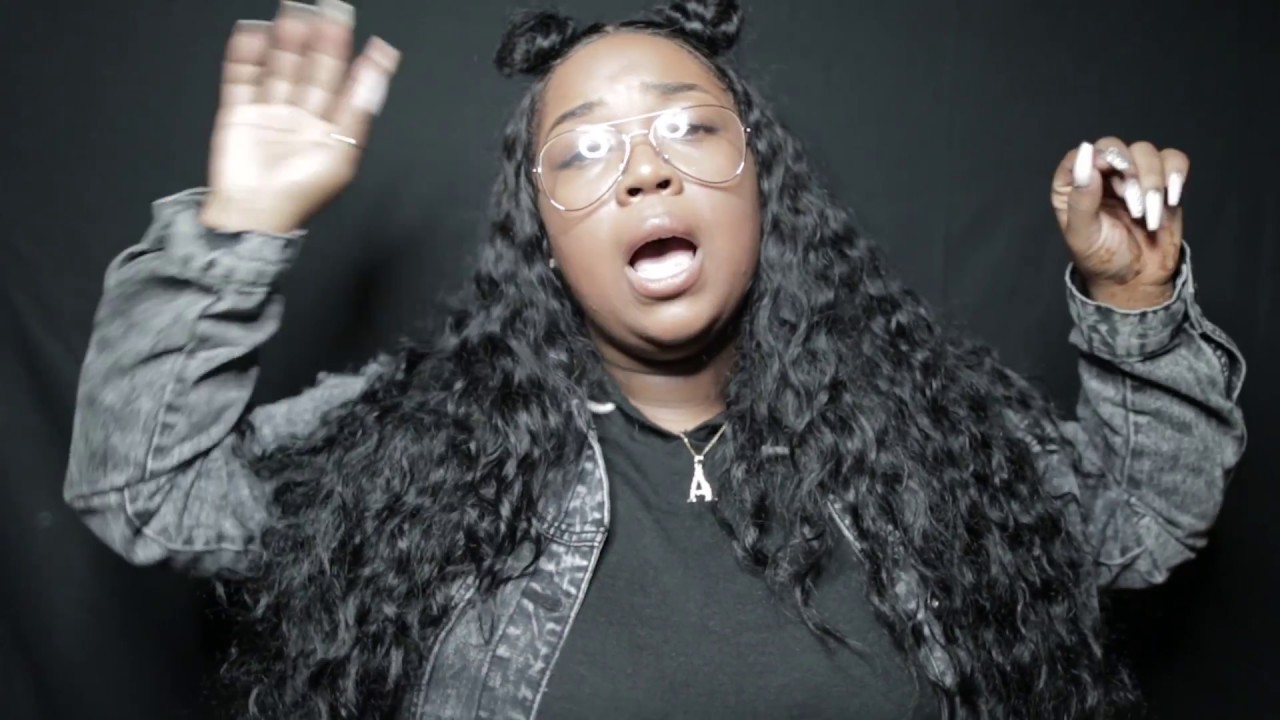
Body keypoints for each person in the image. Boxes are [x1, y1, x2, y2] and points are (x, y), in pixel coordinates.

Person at [63, 0, 1246, 718]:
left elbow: (1139, 525)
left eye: (687, 128)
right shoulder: (417, 459)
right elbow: (147, 486)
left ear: (762, 185)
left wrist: (1132, 297)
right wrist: (238, 226)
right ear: (539, 233)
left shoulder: (924, 442)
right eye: (583, 152)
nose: (642, 170)